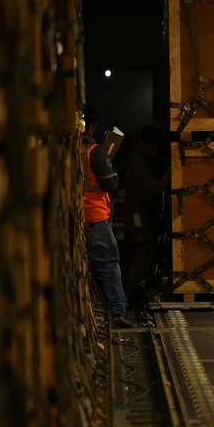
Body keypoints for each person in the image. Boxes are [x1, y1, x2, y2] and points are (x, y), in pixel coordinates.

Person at [82, 108, 136, 328]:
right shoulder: (94, 152)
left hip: (72, 221)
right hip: (94, 219)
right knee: (109, 265)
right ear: (92, 127)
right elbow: (111, 184)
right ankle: (118, 311)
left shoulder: (61, 150)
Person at [121, 124, 170, 303]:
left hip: (147, 211)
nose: (154, 154)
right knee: (148, 252)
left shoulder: (150, 155)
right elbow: (152, 186)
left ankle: (132, 287)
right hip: (136, 211)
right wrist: (169, 179)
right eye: (151, 151)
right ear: (142, 144)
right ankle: (125, 290)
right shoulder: (137, 159)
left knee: (133, 250)